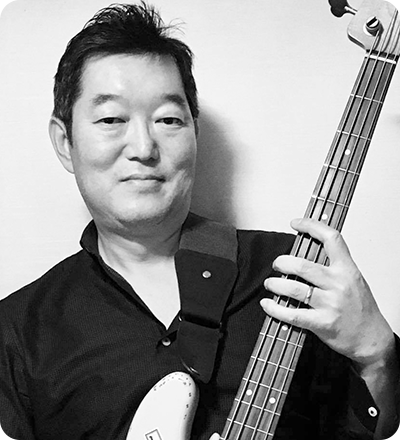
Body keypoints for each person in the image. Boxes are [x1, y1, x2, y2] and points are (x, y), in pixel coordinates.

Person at [0, 3, 398, 439]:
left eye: (168, 120)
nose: (143, 147)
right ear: (65, 142)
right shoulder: (18, 332)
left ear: (195, 132)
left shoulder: (294, 272)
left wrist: (377, 354)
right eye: (111, 119)